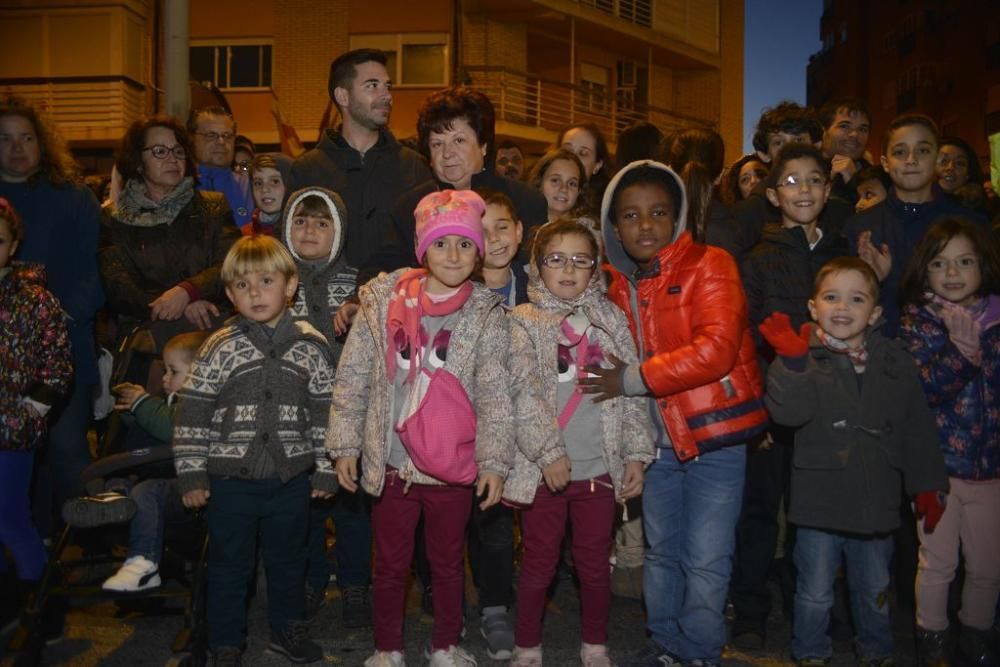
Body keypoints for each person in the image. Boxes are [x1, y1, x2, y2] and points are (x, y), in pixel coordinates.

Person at [589, 160, 768, 667]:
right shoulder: (617, 285)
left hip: (714, 437)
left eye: (658, 212)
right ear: (613, 226)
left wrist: (634, 377)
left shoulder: (711, 264)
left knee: (707, 560)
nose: (644, 225)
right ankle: (666, 643)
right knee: (662, 553)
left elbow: (715, 350)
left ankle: (701, 652)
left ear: (679, 216)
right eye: (630, 215)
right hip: (657, 443)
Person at [327, 190, 513, 667]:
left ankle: (446, 644)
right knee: (389, 564)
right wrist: (346, 444)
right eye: (441, 243)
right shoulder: (382, 302)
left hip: (451, 465)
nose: (453, 255)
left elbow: (495, 395)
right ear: (422, 248)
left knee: (448, 564)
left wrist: (493, 461)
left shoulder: (486, 315)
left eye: (465, 245)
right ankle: (387, 647)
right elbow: (352, 376)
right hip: (391, 461)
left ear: (479, 252)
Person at [761, 257, 948, 666]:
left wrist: (928, 483)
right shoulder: (800, 356)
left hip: (873, 500)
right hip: (819, 501)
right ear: (813, 307)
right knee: (814, 590)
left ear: (876, 312)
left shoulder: (894, 360)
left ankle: (877, 650)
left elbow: (916, 426)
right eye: (831, 297)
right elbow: (789, 414)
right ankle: (810, 651)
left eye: (856, 299)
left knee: (874, 588)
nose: (842, 308)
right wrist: (793, 365)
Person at [172, 235, 336, 665]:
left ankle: (287, 629)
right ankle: (225, 640)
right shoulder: (219, 346)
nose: (256, 293)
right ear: (229, 293)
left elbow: (325, 413)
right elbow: (192, 411)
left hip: (290, 481)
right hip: (230, 482)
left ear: (290, 284)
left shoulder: (311, 344)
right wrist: (191, 474)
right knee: (230, 565)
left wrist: (325, 468)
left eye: (266, 281)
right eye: (242, 286)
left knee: (288, 562)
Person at [505, 218, 654, 667]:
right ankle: (527, 644)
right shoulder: (522, 322)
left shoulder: (610, 319)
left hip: (599, 469)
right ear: (536, 266)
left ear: (595, 268)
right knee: (538, 564)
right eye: (555, 259)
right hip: (544, 471)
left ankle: (595, 643)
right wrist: (548, 452)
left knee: (594, 565)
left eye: (580, 260)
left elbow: (631, 393)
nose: (568, 269)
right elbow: (521, 395)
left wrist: (635, 455)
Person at [731, 143, 847, 648]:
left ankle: (815, 608)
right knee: (760, 512)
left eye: (815, 179)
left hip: (830, 409)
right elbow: (744, 339)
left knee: (817, 513)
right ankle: (750, 611)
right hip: (774, 410)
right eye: (792, 182)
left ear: (828, 188)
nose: (805, 190)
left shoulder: (843, 253)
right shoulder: (758, 257)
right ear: (775, 196)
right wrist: (757, 414)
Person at [898, 219, 1000, 667]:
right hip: (936, 470)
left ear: (983, 266)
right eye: (940, 263)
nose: (953, 273)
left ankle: (977, 635)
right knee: (937, 564)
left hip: (991, 469)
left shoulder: (996, 319)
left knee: (988, 566)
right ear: (924, 270)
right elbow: (922, 390)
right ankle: (933, 640)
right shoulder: (918, 321)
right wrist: (960, 353)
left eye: (964, 262)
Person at [0, 96, 104, 526]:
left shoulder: (73, 198)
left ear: (42, 143)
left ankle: (80, 549)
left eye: (26, 137)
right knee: (16, 469)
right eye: (4, 139)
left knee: (66, 456)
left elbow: (96, 273)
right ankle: (26, 561)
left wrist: (49, 321)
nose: (17, 147)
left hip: (61, 354)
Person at [276, 187, 369, 626]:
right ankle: (312, 579)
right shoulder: (273, 279)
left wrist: (359, 310)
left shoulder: (355, 281)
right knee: (304, 507)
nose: (309, 230)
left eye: (321, 222)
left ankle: (355, 585)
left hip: (344, 413)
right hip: (292, 417)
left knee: (352, 507)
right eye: (300, 220)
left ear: (340, 230)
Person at [78, 331, 209, 593]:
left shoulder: (200, 406)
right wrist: (132, 413)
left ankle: (142, 564)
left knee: (146, 491)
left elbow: (173, 426)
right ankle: (115, 501)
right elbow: (151, 429)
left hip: (188, 488)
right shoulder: (166, 402)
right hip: (152, 474)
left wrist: (143, 404)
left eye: (173, 371)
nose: (164, 378)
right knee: (123, 482)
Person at [99, 115, 240, 353]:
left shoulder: (213, 207)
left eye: (178, 151)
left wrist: (189, 291)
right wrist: (177, 305)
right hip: (147, 337)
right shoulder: (115, 217)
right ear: (138, 161)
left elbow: (232, 265)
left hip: (210, 332)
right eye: (159, 151)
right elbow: (118, 287)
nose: (172, 159)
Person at [372, 86, 547, 278]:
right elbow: (380, 269)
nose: (447, 153)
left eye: (459, 141)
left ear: (483, 145)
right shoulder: (409, 208)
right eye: (437, 144)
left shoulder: (527, 202)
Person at [287, 49, 433, 276]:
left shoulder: (414, 167)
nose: (387, 95)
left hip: (399, 302)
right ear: (343, 96)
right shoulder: (306, 170)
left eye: (387, 86)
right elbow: (290, 248)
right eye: (373, 85)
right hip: (330, 307)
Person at [844, 113, 989, 337]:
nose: (911, 159)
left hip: (954, 358)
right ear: (885, 162)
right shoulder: (860, 226)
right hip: (881, 357)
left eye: (922, 150)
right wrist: (873, 281)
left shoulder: (970, 225)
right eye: (900, 152)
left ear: (937, 159)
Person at [0, 196, 73, 614]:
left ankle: (42, 600)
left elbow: (57, 364)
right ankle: (10, 594)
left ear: (13, 247)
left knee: (10, 517)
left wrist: (33, 407)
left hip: (11, 429)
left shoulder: (34, 299)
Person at [722, 102, 854, 263]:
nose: (790, 149)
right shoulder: (746, 215)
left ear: (816, 145)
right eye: (779, 143)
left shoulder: (841, 212)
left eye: (799, 139)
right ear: (764, 154)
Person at [188, 106, 254, 229]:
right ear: (192, 139)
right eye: (211, 135)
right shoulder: (180, 185)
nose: (221, 142)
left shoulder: (250, 187)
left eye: (227, 135)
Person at [818, 98, 872, 205]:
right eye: (844, 126)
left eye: (862, 129)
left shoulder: (877, 178)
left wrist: (853, 181)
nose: (854, 135)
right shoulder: (806, 169)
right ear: (823, 131)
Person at [480, 189, 528, 307]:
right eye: (482, 233)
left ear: (518, 232)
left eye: (502, 227)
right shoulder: (458, 297)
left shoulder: (535, 290)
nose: (494, 238)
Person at [557, 123, 613, 212]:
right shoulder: (536, 197)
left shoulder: (606, 211)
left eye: (583, 154)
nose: (573, 158)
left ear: (597, 165)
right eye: (566, 150)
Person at [527, 148, 589, 223]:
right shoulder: (520, 223)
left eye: (572, 184)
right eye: (555, 180)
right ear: (539, 182)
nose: (564, 189)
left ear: (579, 191)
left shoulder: (588, 231)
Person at [936, 136, 989, 215]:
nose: (950, 167)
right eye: (943, 161)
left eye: (959, 163)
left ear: (968, 174)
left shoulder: (976, 216)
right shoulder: (914, 204)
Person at [245, 153, 292, 237]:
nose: (264, 189)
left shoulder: (302, 233)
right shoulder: (245, 234)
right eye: (258, 183)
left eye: (275, 181)